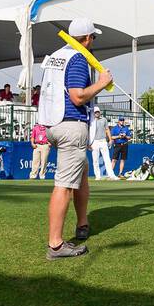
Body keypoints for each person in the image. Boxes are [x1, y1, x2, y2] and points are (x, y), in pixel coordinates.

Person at [37, 18, 114, 260]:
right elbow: (78, 96)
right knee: (64, 184)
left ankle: (82, 224)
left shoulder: (57, 55)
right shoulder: (79, 58)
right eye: (94, 38)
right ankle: (56, 245)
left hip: (52, 124)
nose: (94, 42)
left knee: (81, 172)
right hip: (71, 125)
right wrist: (102, 83)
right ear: (88, 38)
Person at [90, 108, 115, 180]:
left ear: (99, 112)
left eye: (98, 112)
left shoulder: (104, 119)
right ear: (93, 113)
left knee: (107, 159)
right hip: (94, 142)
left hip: (103, 141)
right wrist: (89, 143)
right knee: (95, 160)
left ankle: (111, 175)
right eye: (95, 112)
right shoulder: (91, 120)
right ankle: (97, 176)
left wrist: (110, 139)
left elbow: (107, 130)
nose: (97, 113)